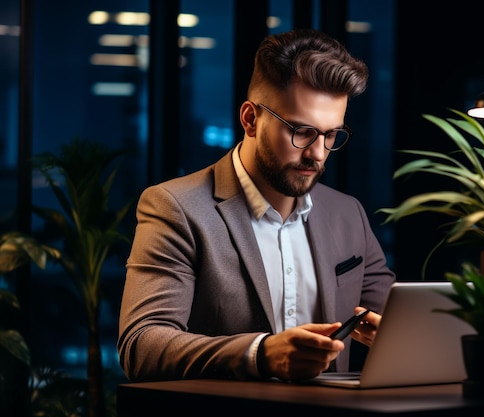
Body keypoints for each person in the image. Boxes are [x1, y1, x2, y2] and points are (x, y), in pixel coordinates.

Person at [117, 28, 396, 383]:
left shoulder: (347, 214)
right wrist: (261, 354)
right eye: (300, 131)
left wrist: (395, 337)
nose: (316, 152)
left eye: (330, 135)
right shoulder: (176, 207)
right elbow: (142, 345)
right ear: (250, 119)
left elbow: (398, 320)